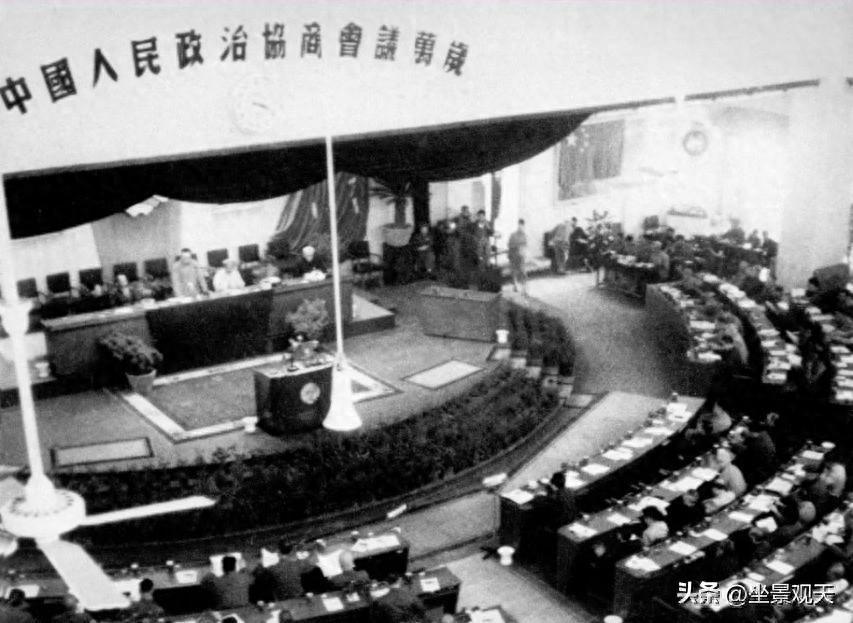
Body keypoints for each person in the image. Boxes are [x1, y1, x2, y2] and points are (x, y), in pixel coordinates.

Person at [507, 219, 528, 295]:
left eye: (522, 226)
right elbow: (509, 245)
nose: (520, 227)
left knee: (523, 271)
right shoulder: (513, 235)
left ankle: (524, 288)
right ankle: (515, 285)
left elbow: (525, 245)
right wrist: (516, 247)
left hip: (521, 256)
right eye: (519, 225)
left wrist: (524, 252)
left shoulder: (524, 235)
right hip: (513, 255)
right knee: (514, 271)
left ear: (523, 226)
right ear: (518, 226)